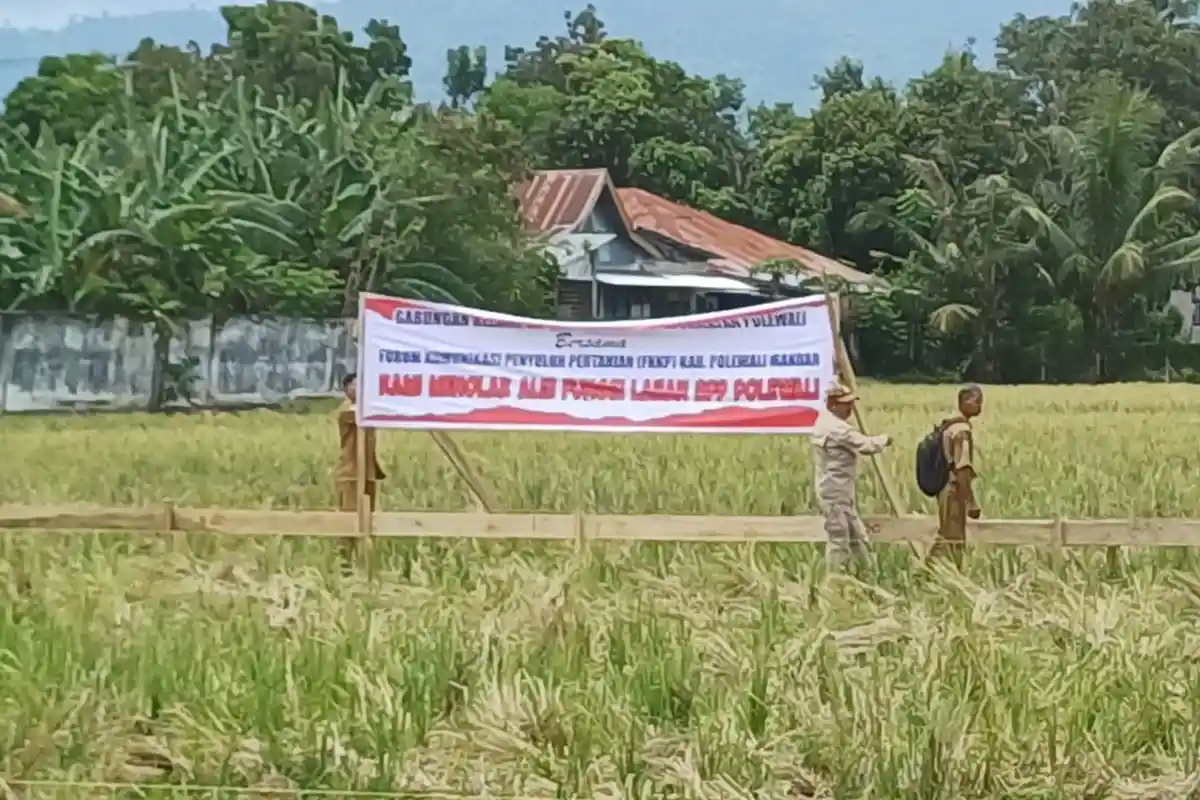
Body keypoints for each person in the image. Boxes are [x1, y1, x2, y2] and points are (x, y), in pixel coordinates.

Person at [811, 383, 891, 572]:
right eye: (845, 404)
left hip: (840, 492)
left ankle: (869, 574)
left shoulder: (824, 422)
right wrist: (885, 439)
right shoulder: (836, 428)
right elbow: (866, 445)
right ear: (832, 405)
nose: (850, 408)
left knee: (857, 536)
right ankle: (835, 580)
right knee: (839, 539)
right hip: (834, 494)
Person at [928, 384, 983, 564]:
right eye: (977, 401)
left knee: (953, 536)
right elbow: (962, 468)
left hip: (944, 487)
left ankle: (953, 575)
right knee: (951, 535)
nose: (980, 406)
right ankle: (925, 573)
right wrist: (970, 501)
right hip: (953, 490)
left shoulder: (947, 425)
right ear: (967, 402)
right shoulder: (961, 431)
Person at [335, 372, 385, 515]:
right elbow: (357, 415)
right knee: (350, 518)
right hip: (350, 472)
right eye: (356, 385)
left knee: (369, 516)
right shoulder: (346, 411)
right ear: (347, 389)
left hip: (368, 472)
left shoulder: (368, 410)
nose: (361, 388)